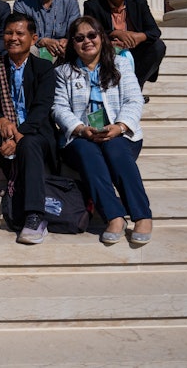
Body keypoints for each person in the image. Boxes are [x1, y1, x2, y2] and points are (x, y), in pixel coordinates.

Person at [54, 16, 152, 245]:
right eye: (79, 38)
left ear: (101, 37)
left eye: (91, 35)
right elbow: (59, 108)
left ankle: (142, 215)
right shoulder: (64, 72)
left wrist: (119, 127)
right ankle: (114, 216)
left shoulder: (120, 64)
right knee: (88, 153)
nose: (86, 41)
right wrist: (80, 128)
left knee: (115, 148)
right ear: (73, 43)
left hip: (119, 133)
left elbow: (134, 100)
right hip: (82, 136)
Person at [0, 13, 58, 245]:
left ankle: (34, 215)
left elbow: (42, 109)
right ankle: (20, 174)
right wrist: (0, 119)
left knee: (30, 143)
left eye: (19, 33)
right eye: (9, 33)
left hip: (34, 132)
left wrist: (19, 137)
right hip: (6, 130)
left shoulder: (43, 67)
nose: (13, 38)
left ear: (33, 39)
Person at [83, 0, 165, 91]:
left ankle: (135, 87)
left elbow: (154, 31)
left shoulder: (139, 3)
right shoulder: (93, 5)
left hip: (134, 51)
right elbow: (90, 31)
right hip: (107, 51)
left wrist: (138, 37)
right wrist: (115, 34)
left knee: (158, 46)